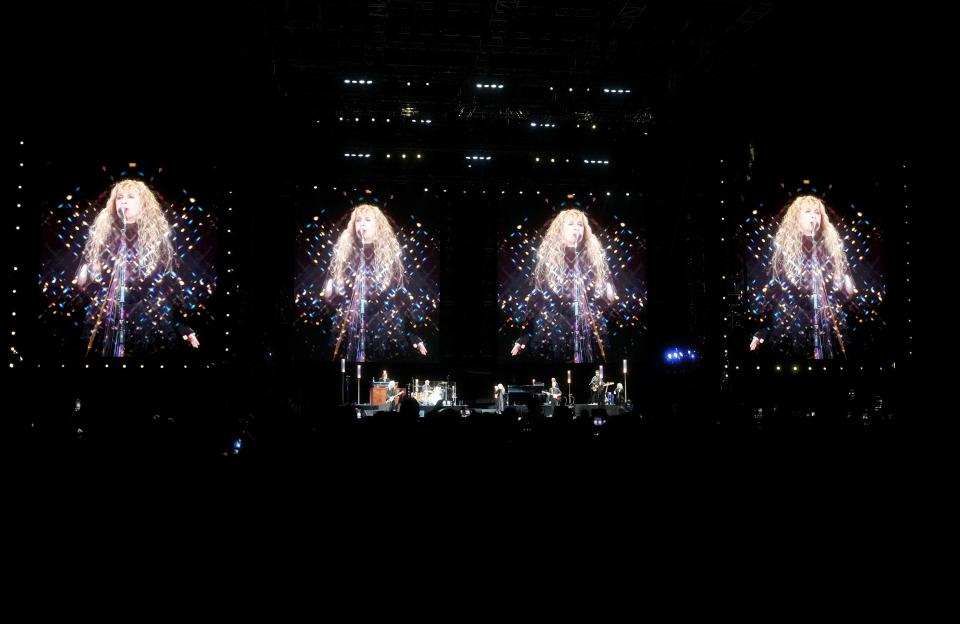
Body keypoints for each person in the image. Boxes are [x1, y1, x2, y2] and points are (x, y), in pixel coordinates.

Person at [75, 179, 199, 357]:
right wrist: (87, 273)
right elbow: (86, 279)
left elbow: (171, 280)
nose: (124, 201)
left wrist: (183, 325)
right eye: (120, 197)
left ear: (143, 203)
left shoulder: (160, 235)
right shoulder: (102, 232)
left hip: (148, 312)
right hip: (108, 311)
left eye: (131, 197)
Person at [749, 195, 856, 359]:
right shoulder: (783, 248)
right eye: (808, 212)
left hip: (828, 322)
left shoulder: (832, 245)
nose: (814, 216)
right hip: (794, 322)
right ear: (796, 218)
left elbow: (845, 285)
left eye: (817, 212)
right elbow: (772, 289)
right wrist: (762, 329)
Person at [323, 203, 428, 361]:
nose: (362, 224)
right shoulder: (344, 253)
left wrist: (414, 336)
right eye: (358, 220)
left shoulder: (391, 255)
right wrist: (331, 288)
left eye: (367, 220)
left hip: (383, 325)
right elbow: (330, 294)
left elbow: (403, 296)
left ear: (378, 225)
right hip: (350, 323)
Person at [509, 208, 616, 362]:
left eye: (580, 225)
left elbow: (606, 296)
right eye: (570, 224)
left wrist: (607, 292)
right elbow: (535, 297)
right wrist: (523, 336)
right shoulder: (547, 259)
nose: (576, 228)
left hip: (588, 327)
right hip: (555, 328)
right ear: (560, 229)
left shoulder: (594, 258)